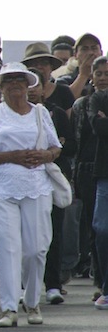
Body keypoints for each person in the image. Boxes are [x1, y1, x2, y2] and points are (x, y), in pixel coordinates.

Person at [0, 62, 63, 327]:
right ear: (1, 86)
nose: (14, 85)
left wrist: (45, 155)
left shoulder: (41, 113)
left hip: (36, 186)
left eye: (19, 80)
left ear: (28, 84)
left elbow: (56, 147)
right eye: (9, 80)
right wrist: (11, 156)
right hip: (1, 188)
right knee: (8, 247)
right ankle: (10, 308)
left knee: (36, 249)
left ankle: (32, 302)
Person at [27, 67, 76, 305]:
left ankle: (53, 285)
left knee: (52, 233)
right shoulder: (3, 115)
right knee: (24, 237)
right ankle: (25, 286)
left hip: (49, 180)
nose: (31, 90)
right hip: (22, 182)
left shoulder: (55, 113)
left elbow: (69, 145)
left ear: (43, 88)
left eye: (36, 84)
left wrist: (52, 151)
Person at [71, 56, 108, 300]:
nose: (103, 78)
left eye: (107, 73)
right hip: (90, 170)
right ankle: (101, 281)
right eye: (99, 73)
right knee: (97, 230)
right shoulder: (85, 103)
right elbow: (88, 134)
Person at [86, 56, 108, 309]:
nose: (103, 77)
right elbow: (98, 127)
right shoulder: (97, 99)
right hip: (104, 174)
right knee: (102, 230)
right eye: (99, 73)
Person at [21, 42, 75, 113]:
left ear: (51, 67)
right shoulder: (19, 93)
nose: (39, 67)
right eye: (34, 64)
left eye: (44, 63)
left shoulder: (63, 91)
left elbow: (69, 120)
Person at [57, 33, 103, 100]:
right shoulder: (64, 80)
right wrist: (83, 75)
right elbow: (66, 101)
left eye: (94, 48)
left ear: (101, 53)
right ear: (75, 54)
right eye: (84, 49)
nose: (90, 53)